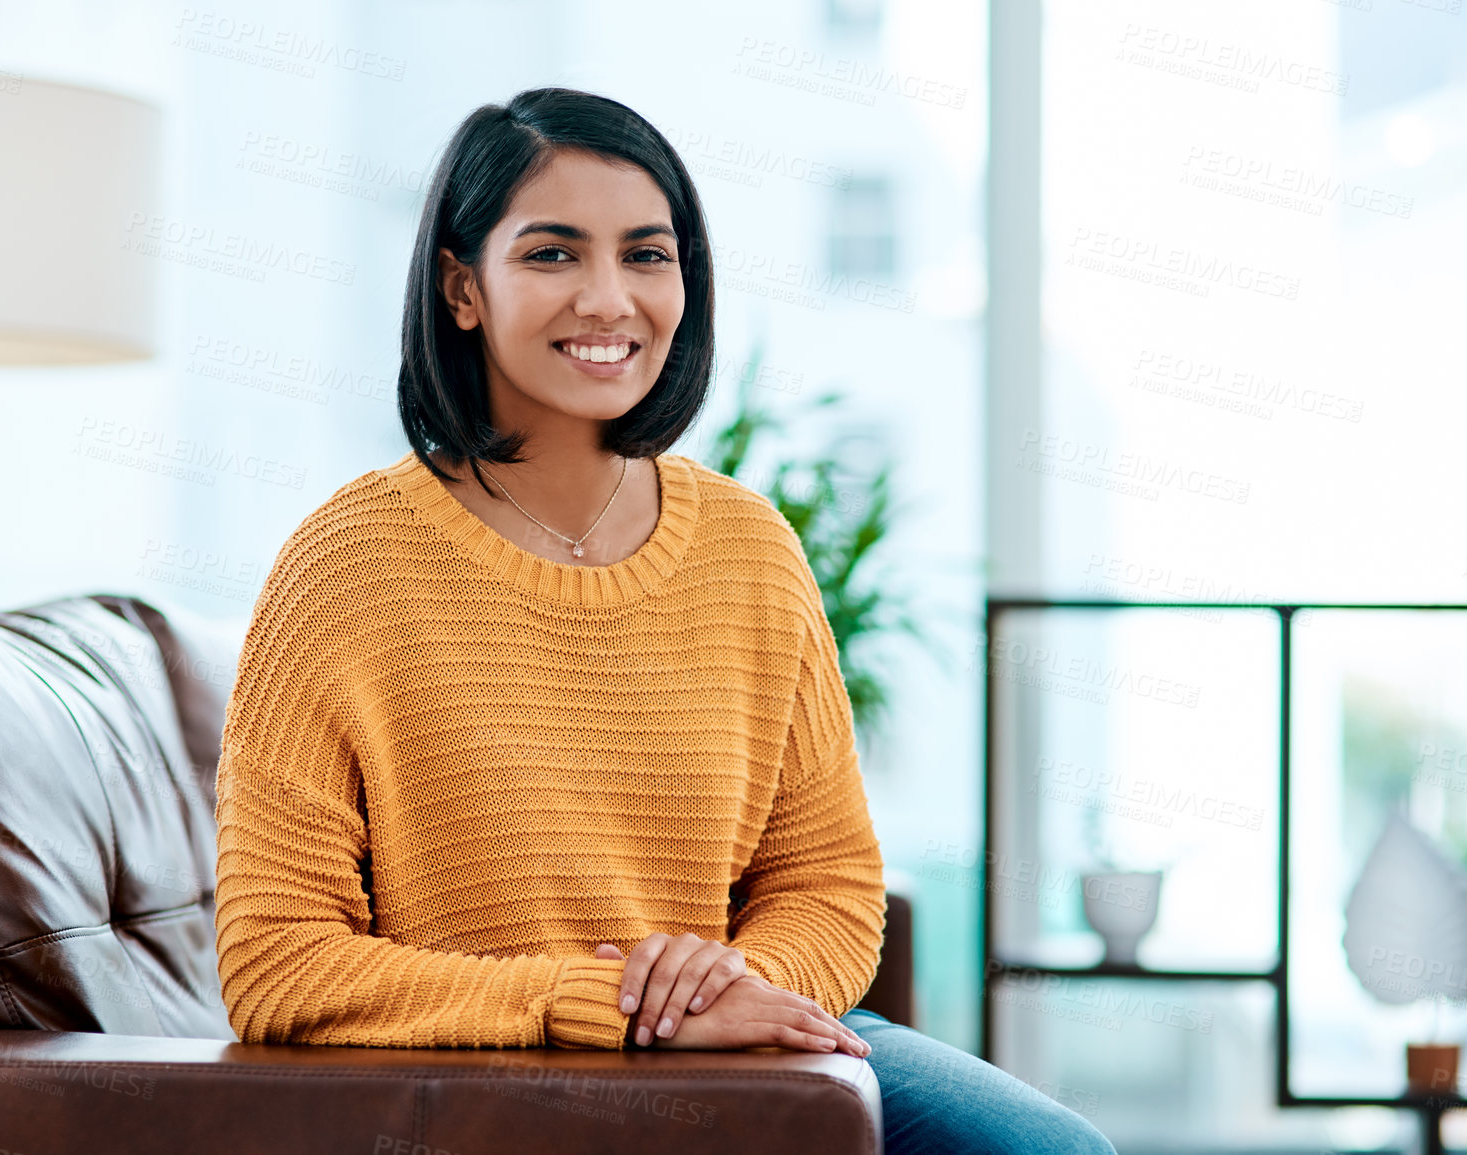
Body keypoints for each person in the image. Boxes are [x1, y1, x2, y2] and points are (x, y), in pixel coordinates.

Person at [212, 85, 1115, 1155]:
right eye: (552, 255)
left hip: (745, 1044)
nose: (609, 298)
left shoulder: (750, 548)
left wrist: (740, 987)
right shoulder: (344, 565)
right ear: (462, 288)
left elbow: (825, 882)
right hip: (478, 1065)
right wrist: (618, 1012)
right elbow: (276, 961)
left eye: (647, 254)